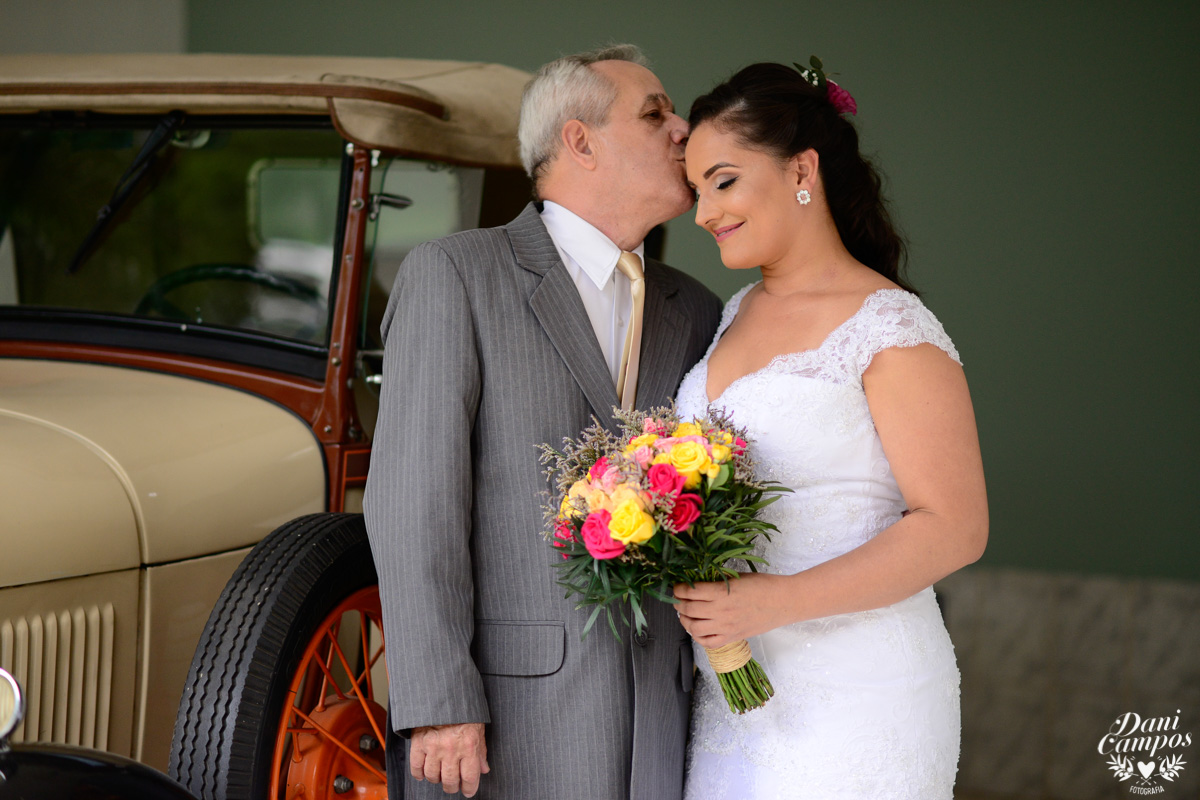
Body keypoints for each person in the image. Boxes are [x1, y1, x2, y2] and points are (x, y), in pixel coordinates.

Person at [363, 44, 722, 800]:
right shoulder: (455, 275)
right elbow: (412, 503)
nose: (684, 127)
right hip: (501, 727)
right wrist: (437, 705)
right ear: (578, 141)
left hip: (665, 728)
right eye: (655, 112)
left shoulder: (695, 308)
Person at [672, 61, 989, 799]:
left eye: (722, 181)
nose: (702, 212)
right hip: (733, 698)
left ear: (801, 170)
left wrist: (769, 603)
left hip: (861, 696)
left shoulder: (891, 325)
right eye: (695, 191)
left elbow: (956, 527)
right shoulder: (734, 311)